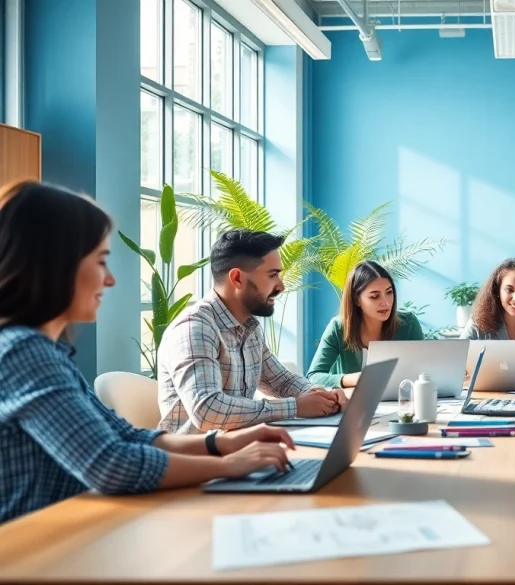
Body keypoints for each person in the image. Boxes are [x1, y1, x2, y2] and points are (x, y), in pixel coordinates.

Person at [0, 182, 299, 524]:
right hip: (27, 551)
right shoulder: (23, 353)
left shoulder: (48, 354)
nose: (110, 280)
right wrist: (227, 466)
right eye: (100, 261)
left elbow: (127, 438)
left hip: (63, 536)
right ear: (55, 265)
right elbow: (111, 465)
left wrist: (222, 444)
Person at [158, 230, 344, 434]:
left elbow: (281, 381)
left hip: (238, 450)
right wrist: (296, 406)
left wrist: (324, 395)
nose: (281, 286)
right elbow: (207, 410)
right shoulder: (194, 327)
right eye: (273, 275)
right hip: (194, 460)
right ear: (237, 278)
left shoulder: (249, 327)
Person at [307, 261, 424, 388]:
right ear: (357, 299)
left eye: (389, 292)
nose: (385, 303)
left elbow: (424, 370)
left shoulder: (409, 323)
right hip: (352, 404)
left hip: (401, 402)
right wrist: (351, 379)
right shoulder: (339, 328)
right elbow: (314, 376)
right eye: (375, 296)